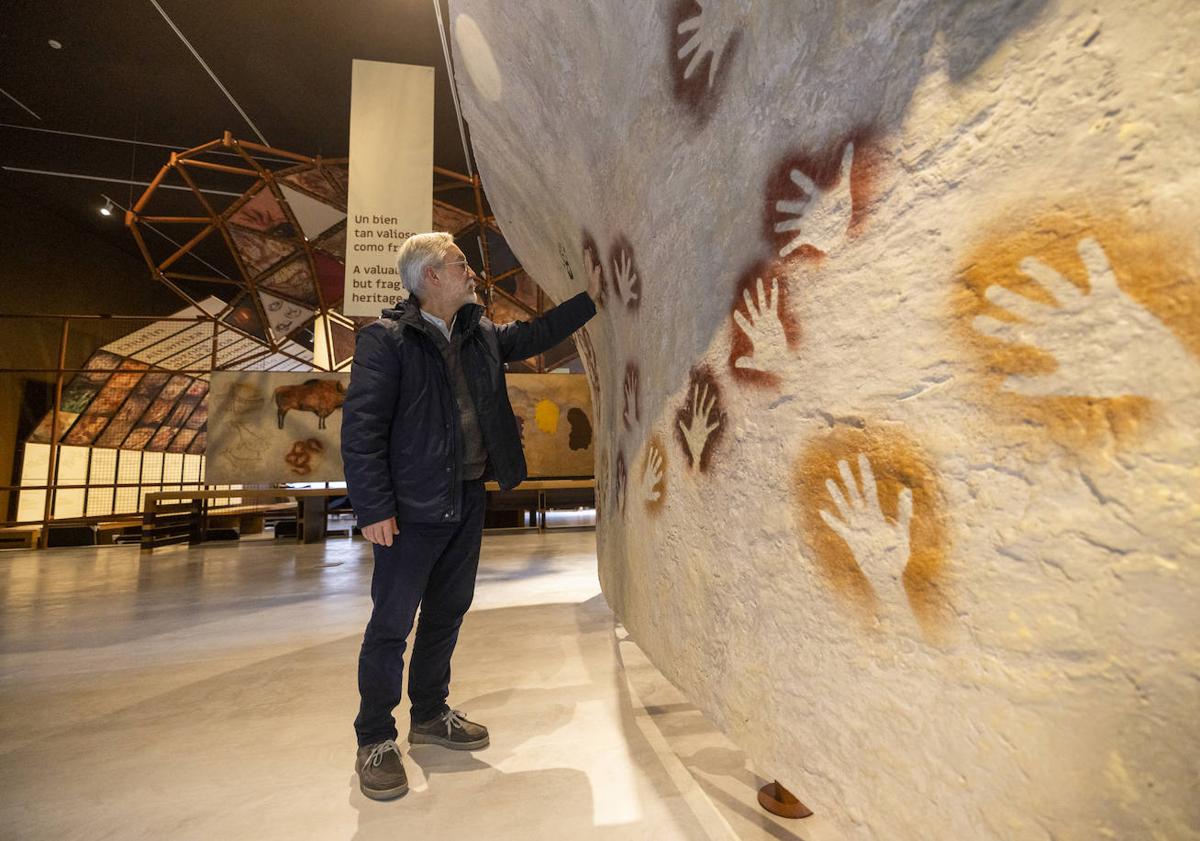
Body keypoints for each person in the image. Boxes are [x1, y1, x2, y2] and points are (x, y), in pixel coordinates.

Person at [341, 232, 601, 800]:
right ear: (431, 276)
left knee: (447, 613)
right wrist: (373, 506)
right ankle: (375, 738)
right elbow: (361, 430)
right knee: (391, 624)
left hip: (466, 497)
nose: (472, 272)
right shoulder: (386, 341)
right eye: (461, 263)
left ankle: (430, 714)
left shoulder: (479, 333)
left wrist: (593, 298)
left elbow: (533, 334)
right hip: (410, 511)